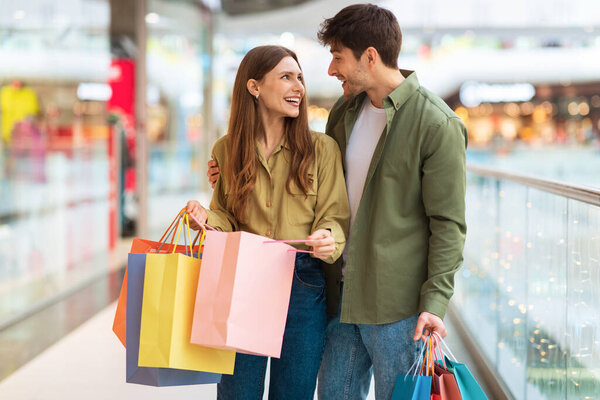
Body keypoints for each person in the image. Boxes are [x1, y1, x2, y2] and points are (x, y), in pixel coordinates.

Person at [207, 5, 467, 398]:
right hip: (339, 296)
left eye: (338, 57)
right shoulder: (345, 113)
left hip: (396, 307)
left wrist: (435, 302)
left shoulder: (436, 124)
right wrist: (229, 173)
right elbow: (318, 188)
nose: (330, 70)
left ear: (370, 57)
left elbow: (448, 225)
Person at [186, 45, 349, 400]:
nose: (298, 88)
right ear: (254, 87)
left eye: (300, 78)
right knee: (237, 392)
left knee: (294, 393)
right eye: (286, 77)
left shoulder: (322, 149)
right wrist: (204, 218)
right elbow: (227, 218)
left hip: (303, 283)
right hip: (244, 279)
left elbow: (335, 216)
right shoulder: (225, 150)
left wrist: (328, 238)